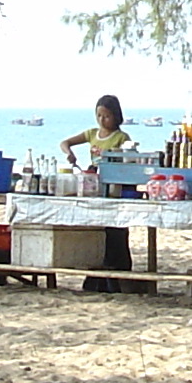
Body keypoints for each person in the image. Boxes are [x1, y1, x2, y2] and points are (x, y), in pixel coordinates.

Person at [59, 96, 140, 293]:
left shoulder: (122, 138)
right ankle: (97, 276)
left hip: (113, 186)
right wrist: (69, 153)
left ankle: (116, 273)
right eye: (99, 116)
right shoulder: (92, 134)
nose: (102, 120)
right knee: (97, 231)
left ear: (116, 116)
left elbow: (129, 163)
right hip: (93, 184)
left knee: (115, 232)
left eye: (107, 116)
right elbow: (65, 142)